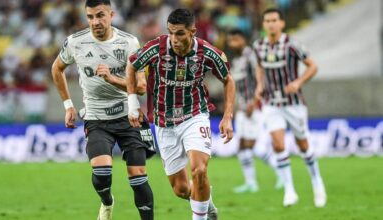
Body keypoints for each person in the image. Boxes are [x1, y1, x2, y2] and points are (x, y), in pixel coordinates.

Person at [125, 8, 235, 220]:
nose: (174, 39)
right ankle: (206, 203)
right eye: (171, 32)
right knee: (182, 190)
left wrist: (228, 115)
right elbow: (132, 64)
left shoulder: (206, 52)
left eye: (180, 33)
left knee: (199, 170)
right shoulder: (157, 47)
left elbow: (228, 79)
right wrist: (132, 104)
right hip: (164, 122)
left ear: (192, 31)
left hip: (195, 115)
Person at [51, 0, 156, 219]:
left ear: (111, 14)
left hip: (130, 116)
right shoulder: (75, 42)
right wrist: (68, 106)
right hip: (97, 118)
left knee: (138, 178)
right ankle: (107, 202)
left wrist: (111, 78)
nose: (95, 22)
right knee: (101, 173)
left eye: (100, 15)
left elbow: (142, 87)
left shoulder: (129, 42)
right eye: (90, 17)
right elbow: (57, 68)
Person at [253, 8, 327, 207]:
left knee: (303, 145)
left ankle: (317, 182)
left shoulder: (291, 44)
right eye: (267, 20)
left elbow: (313, 66)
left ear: (282, 23)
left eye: (274, 20)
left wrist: (298, 82)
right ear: (264, 24)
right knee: (278, 144)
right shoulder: (258, 46)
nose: (270, 24)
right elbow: (259, 66)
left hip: (294, 103)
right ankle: (289, 190)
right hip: (271, 103)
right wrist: (260, 85)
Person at [226, 29, 283, 193]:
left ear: (244, 39)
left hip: (254, 107)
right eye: (231, 40)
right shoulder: (235, 59)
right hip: (242, 108)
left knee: (254, 146)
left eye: (236, 39)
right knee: (242, 146)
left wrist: (255, 101)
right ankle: (251, 183)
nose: (233, 43)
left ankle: (282, 175)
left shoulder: (251, 55)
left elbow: (262, 80)